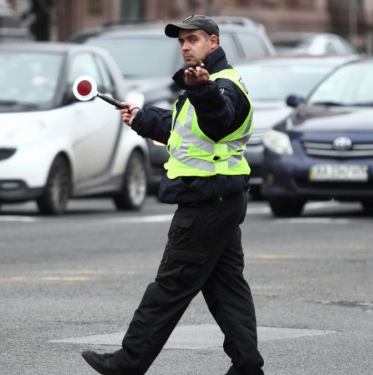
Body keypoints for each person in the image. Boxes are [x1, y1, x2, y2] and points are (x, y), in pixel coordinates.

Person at [81, 15, 265, 375]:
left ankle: (128, 363)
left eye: (193, 39)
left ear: (213, 42)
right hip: (221, 200)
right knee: (227, 289)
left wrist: (202, 90)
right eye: (181, 41)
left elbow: (217, 119)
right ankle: (247, 365)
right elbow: (184, 130)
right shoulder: (207, 84)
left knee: (170, 286)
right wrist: (142, 118)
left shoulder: (220, 86)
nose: (184, 46)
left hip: (205, 202)